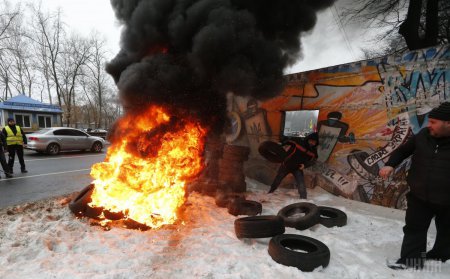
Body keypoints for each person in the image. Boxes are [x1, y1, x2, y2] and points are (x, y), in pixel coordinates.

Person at [379, 102, 450, 270]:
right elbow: (403, 151)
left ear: (448, 123)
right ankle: (411, 262)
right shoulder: (423, 136)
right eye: (429, 121)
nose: (428, 125)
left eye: (433, 122)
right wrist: (390, 164)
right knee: (414, 228)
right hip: (419, 196)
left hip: (448, 200)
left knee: (447, 231)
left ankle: (441, 255)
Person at [268, 132, 319, 199]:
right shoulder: (298, 142)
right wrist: (281, 143)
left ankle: (303, 199)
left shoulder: (313, 151)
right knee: (278, 179)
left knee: (301, 183)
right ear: (308, 139)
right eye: (311, 141)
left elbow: (313, 161)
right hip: (286, 165)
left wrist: (305, 165)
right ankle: (270, 192)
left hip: (297, 168)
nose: (312, 143)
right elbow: (288, 141)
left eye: (314, 142)